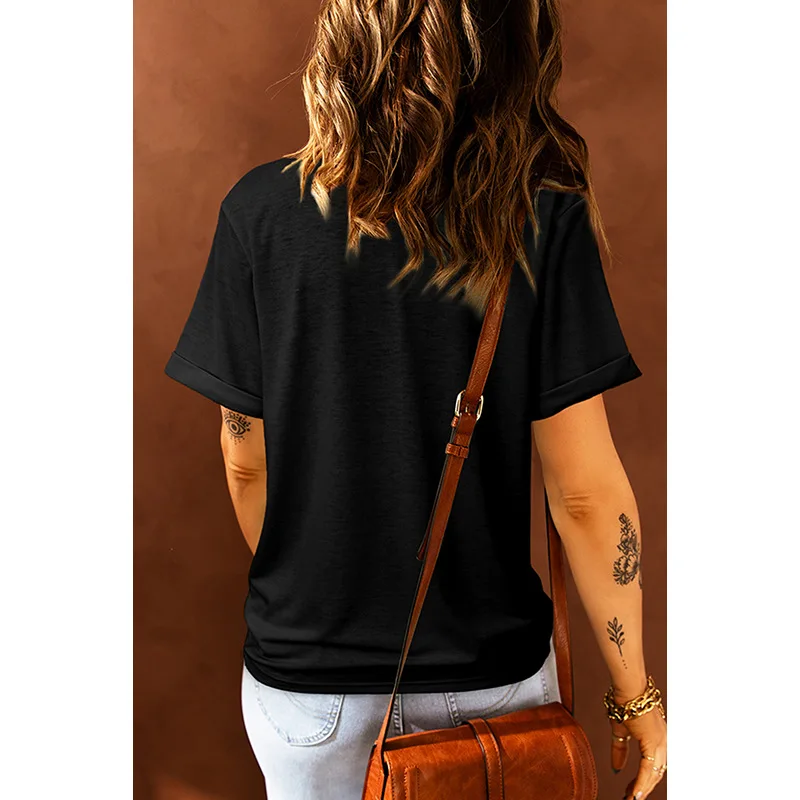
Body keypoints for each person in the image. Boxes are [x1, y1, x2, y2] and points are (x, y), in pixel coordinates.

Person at [163, 0, 667, 798]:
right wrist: (635, 697)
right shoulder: (540, 214)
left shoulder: (257, 213)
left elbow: (244, 456)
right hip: (492, 686)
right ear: (509, 45)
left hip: (309, 692)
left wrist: (317, 595)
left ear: (346, 36)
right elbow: (583, 494)